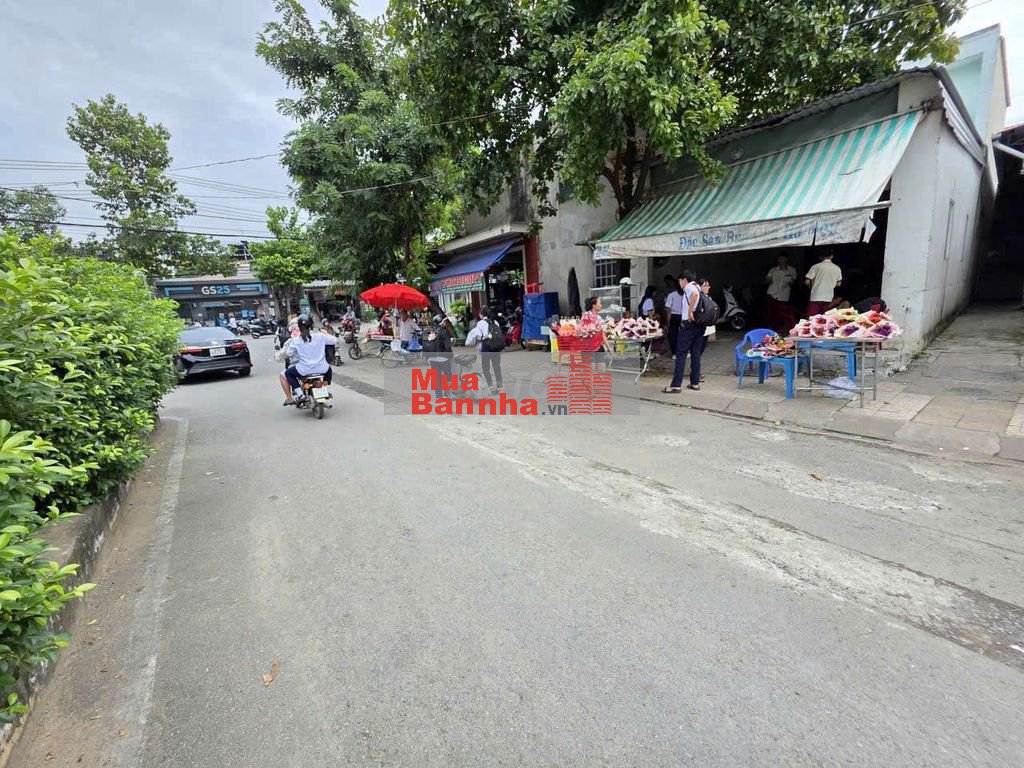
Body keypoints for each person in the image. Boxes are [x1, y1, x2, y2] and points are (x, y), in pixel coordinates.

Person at [277, 315, 335, 406]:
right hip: (322, 368)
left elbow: (288, 353)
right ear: (312, 325)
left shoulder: (296, 340)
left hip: (304, 370)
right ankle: (323, 384)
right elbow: (334, 340)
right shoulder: (320, 336)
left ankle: (300, 394)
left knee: (288, 373)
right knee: (329, 369)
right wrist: (326, 333)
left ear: (299, 327)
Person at [662, 271, 703, 393]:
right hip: (699, 324)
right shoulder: (697, 286)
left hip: (688, 324)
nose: (679, 283)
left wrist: (690, 311)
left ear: (684, 279)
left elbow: (694, 295)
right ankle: (694, 383)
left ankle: (676, 385)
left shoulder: (689, 287)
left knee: (681, 353)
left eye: (679, 281)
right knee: (695, 353)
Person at [465, 307, 504, 393]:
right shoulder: (495, 322)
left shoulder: (481, 323)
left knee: (486, 367)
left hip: (486, 346)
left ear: (481, 315)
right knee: (497, 366)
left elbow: (479, 337)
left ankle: (491, 387)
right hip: (496, 346)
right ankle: (500, 386)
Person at [805, 250, 843, 317]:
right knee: (823, 318)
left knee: (812, 317)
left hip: (816, 296)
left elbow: (807, 282)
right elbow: (838, 284)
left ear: (820, 257)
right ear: (832, 256)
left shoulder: (816, 266)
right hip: (828, 297)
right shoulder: (837, 268)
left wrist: (811, 287)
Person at [425, 315, 455, 399]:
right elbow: (447, 346)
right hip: (443, 358)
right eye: (444, 321)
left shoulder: (429, 331)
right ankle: (447, 394)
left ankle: (439, 396)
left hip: (432, 358)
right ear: (441, 322)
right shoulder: (444, 332)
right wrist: (451, 356)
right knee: (448, 376)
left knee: (436, 378)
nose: (445, 323)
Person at [765, 254, 797, 331]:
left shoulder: (792, 270)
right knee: (771, 312)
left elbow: (793, 281)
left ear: (786, 259)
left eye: (783, 258)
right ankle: (772, 328)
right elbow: (767, 280)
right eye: (779, 259)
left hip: (784, 295)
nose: (781, 260)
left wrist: (790, 281)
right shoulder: (773, 270)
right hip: (772, 293)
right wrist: (768, 279)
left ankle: (783, 328)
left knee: (783, 313)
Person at [581, 296, 612, 374]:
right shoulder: (586, 315)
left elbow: (602, 333)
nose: (601, 305)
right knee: (591, 372)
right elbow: (585, 331)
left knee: (601, 371)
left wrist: (608, 348)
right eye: (599, 303)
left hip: (598, 346)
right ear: (594, 305)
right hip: (588, 347)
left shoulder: (599, 318)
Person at [663, 274, 684, 358]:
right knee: (683, 335)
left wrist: (667, 322)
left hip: (674, 317)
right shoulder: (686, 295)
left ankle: (674, 353)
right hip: (684, 316)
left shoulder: (671, 295)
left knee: (673, 335)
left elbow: (668, 310)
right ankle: (683, 352)